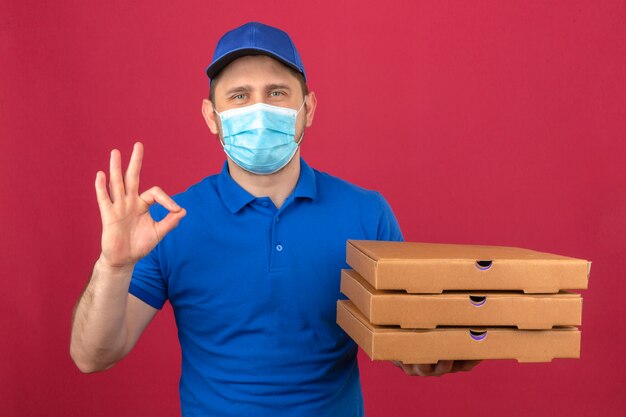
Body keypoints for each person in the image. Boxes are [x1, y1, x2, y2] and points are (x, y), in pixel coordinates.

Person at [70, 22, 480, 416]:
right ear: (212, 116)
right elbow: (93, 356)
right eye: (240, 96)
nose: (260, 109)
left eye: (277, 92)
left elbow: (404, 338)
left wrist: (430, 354)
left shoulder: (366, 213)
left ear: (309, 108)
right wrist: (114, 265)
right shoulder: (168, 223)